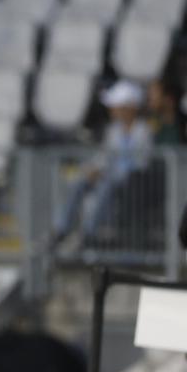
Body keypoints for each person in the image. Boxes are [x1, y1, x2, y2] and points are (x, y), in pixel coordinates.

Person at [52, 79, 153, 247]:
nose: (112, 109)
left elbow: (142, 162)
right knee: (80, 181)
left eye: (116, 105)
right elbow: (104, 157)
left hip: (132, 180)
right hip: (111, 176)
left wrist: (107, 171)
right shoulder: (113, 130)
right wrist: (94, 169)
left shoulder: (144, 131)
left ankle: (88, 233)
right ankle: (61, 229)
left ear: (129, 107)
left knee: (108, 183)